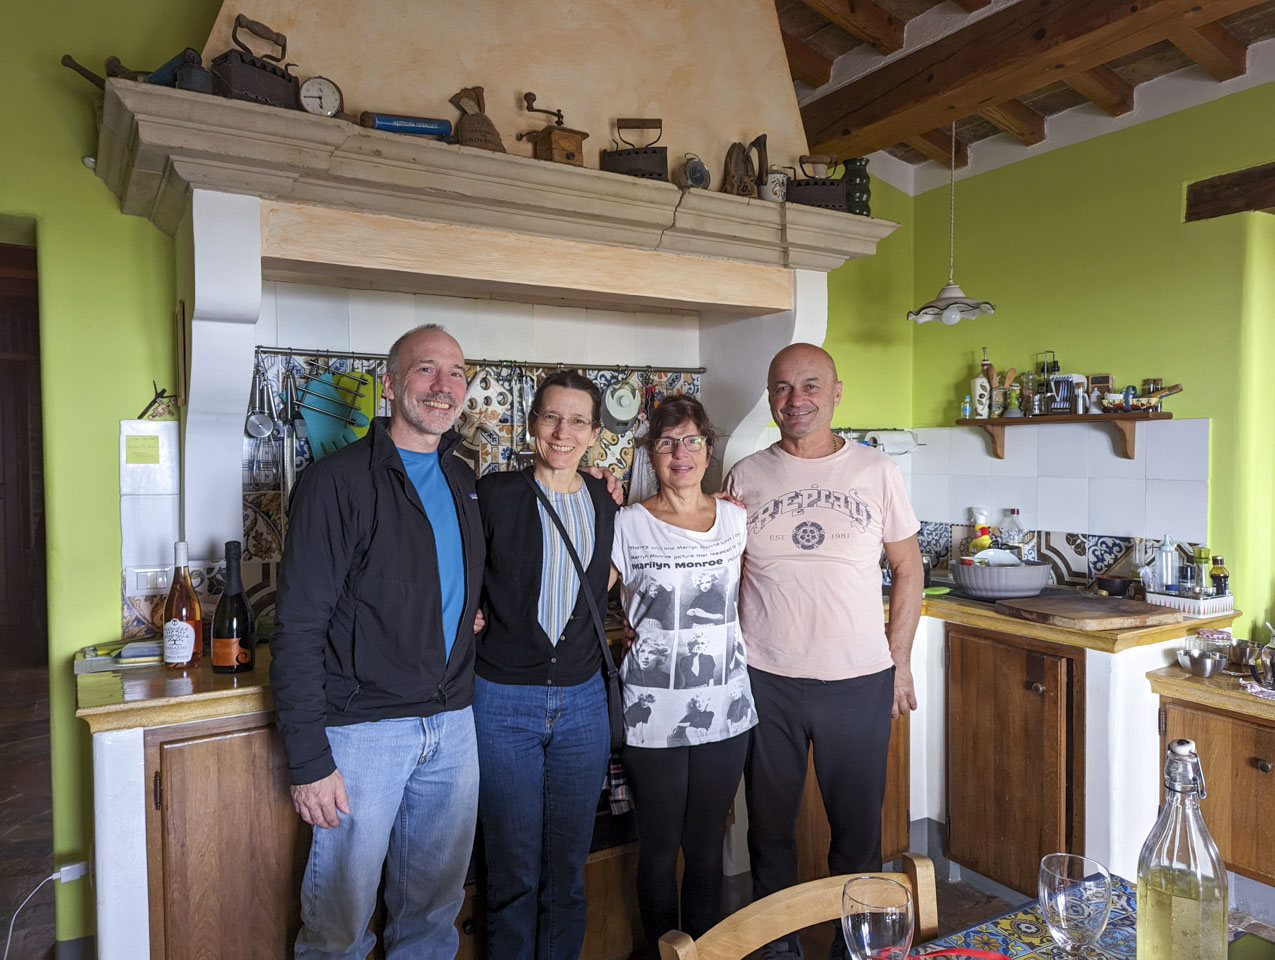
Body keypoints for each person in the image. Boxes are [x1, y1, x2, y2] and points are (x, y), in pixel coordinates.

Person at [271, 324, 485, 959]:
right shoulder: (335, 482)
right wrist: (309, 760)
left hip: (452, 726)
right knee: (339, 924)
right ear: (390, 385)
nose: (443, 387)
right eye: (425, 370)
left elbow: (437, 584)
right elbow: (300, 626)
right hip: (364, 734)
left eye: (455, 373)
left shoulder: (463, 478)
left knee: (433, 915)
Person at [723, 343, 923, 960]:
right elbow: (725, 578)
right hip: (767, 680)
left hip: (858, 681)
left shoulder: (877, 471)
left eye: (810, 385)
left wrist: (900, 660)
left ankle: (853, 950)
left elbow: (909, 569)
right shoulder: (746, 477)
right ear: (770, 396)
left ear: (836, 392)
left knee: (858, 837)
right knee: (770, 834)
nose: (795, 400)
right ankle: (777, 949)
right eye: (782, 388)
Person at [472, 370, 619, 960]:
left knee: (567, 868)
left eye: (577, 420)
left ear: (594, 432)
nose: (563, 431)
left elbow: (606, 576)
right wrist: (473, 617)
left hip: (583, 703)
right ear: (532, 424)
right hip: (503, 701)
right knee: (512, 870)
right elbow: (461, 573)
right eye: (552, 418)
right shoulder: (494, 493)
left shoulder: (607, 502)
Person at [610, 395, 757, 954]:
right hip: (653, 713)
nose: (680, 453)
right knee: (658, 846)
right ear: (652, 453)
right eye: (667, 442)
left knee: (705, 846)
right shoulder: (629, 523)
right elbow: (581, 596)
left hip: (727, 707)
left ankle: (703, 951)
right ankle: (657, 953)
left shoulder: (736, 519)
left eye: (691, 440)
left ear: (707, 448)